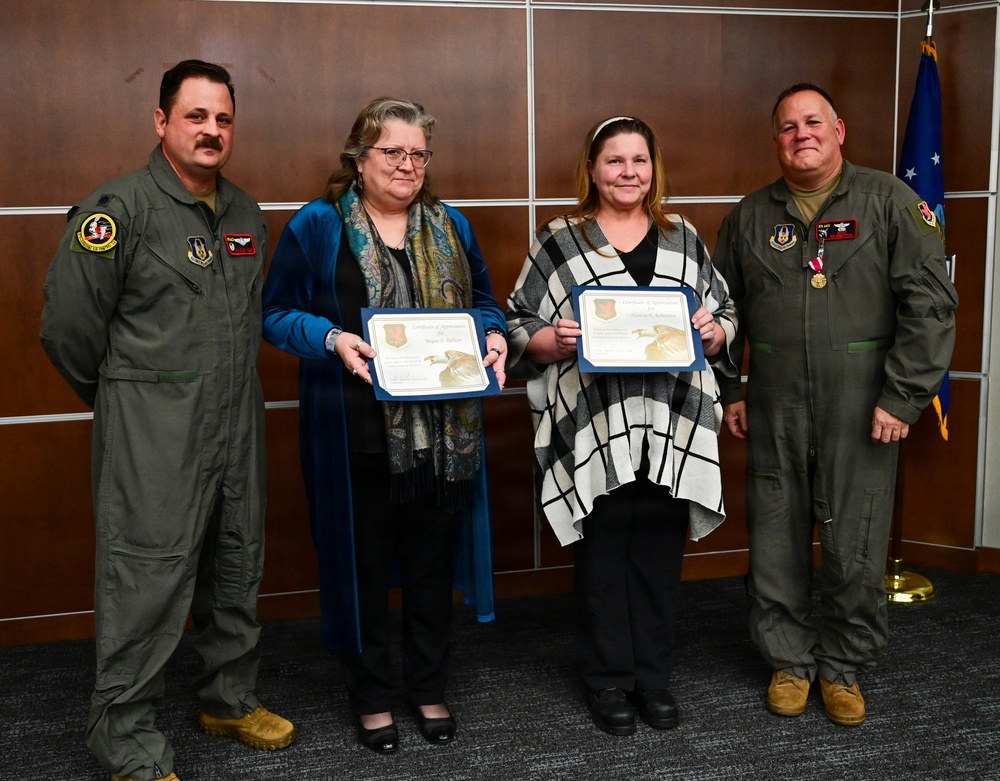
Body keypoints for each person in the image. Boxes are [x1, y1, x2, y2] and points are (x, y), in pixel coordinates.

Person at [39, 60, 296, 781]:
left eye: (223, 118)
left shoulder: (244, 213)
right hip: (155, 434)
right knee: (146, 578)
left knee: (237, 561)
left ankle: (228, 698)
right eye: (195, 116)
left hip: (236, 424)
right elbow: (68, 330)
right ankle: (125, 738)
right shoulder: (116, 211)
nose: (211, 130)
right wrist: (132, 402)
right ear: (161, 122)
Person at [262, 97, 505, 754]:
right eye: (392, 151)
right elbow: (275, 313)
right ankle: (370, 695)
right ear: (358, 157)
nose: (407, 164)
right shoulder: (318, 224)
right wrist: (331, 336)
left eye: (418, 153)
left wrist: (493, 337)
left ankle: (427, 685)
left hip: (443, 436)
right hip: (354, 432)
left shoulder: (451, 224)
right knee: (362, 567)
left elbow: (486, 304)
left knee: (430, 566)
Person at [713, 83, 958, 727]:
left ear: (839, 130)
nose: (802, 134)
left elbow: (930, 306)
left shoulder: (889, 201)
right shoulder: (748, 217)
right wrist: (731, 389)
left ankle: (843, 666)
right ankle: (789, 661)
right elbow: (718, 314)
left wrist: (903, 397)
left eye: (813, 122)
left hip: (864, 403)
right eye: (788, 126)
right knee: (776, 536)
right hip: (775, 402)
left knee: (856, 539)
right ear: (776, 140)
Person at [506, 116, 737, 736]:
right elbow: (519, 320)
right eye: (615, 160)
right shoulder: (559, 239)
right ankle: (608, 679)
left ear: (654, 169)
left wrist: (715, 332)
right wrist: (550, 341)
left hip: (670, 421)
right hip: (594, 423)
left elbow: (724, 310)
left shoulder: (683, 236)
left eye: (640, 160)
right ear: (592, 169)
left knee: (659, 552)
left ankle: (653, 678)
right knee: (603, 555)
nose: (629, 172)